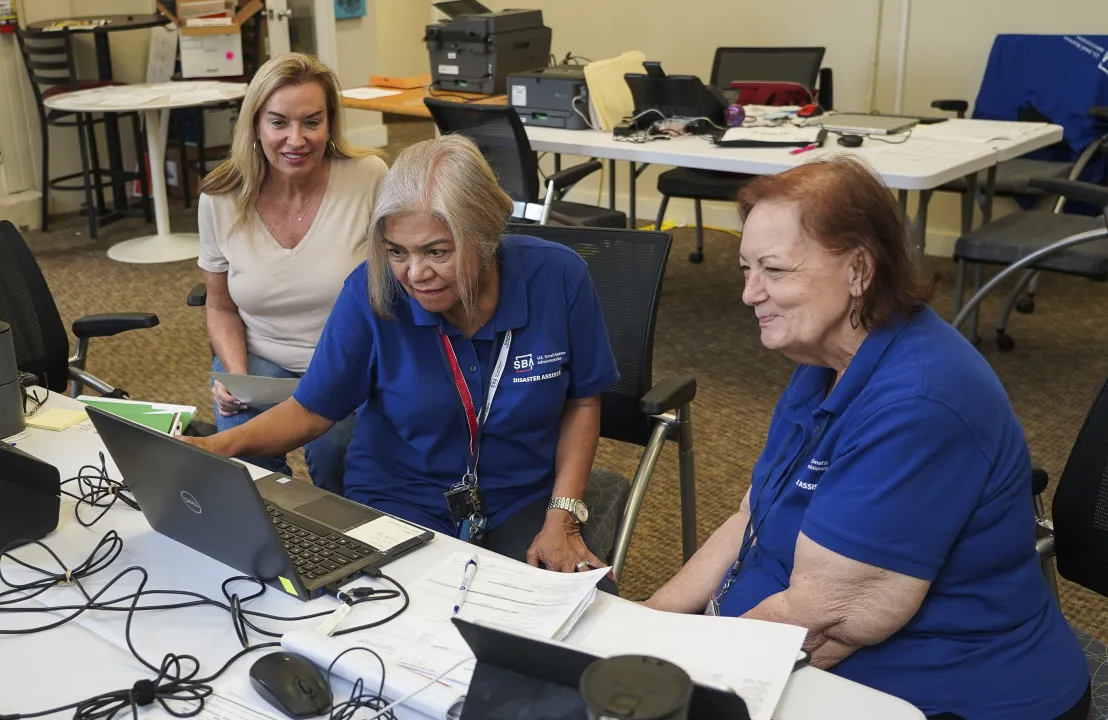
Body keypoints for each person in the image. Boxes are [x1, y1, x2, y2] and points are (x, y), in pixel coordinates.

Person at [644, 157, 1089, 720]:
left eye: (775, 271)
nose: (749, 294)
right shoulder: (825, 361)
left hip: (951, 695)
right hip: (787, 653)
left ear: (858, 271)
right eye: (746, 268)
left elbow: (819, 621)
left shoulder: (918, 403)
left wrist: (664, 666)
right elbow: (749, 521)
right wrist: (644, 624)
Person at [183, 134, 620, 576]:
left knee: (572, 624)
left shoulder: (559, 276)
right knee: (381, 619)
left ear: (487, 234)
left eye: (437, 252)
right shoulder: (371, 290)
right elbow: (312, 410)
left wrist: (561, 517)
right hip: (398, 497)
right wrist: (213, 447)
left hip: (521, 499)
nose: (415, 274)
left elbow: (583, 401)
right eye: (396, 251)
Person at [196, 52, 387, 496]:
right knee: (244, 462)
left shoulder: (368, 177)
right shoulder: (221, 197)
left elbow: (404, 280)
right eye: (278, 122)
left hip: (351, 363)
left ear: (330, 123)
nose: (295, 139)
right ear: (256, 125)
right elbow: (220, 305)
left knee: (336, 452)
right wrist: (235, 374)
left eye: (311, 122)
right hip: (263, 361)